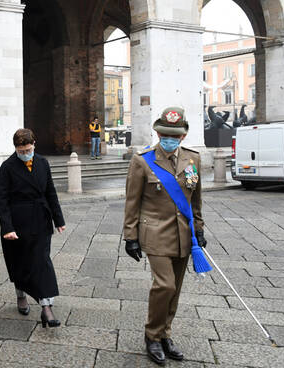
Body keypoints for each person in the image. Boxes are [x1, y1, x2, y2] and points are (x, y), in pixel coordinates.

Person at [122, 107, 206, 365]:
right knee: (165, 285)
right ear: (158, 133)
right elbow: (132, 201)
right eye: (165, 134)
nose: (169, 139)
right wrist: (130, 235)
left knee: (176, 289)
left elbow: (195, 200)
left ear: (183, 136)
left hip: (184, 234)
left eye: (175, 135)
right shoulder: (142, 160)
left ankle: (164, 334)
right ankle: (152, 336)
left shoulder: (193, 159)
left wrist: (199, 229)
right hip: (155, 232)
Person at [0, 128, 65, 328]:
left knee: (42, 262)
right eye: (21, 150)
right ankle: (21, 294)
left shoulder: (43, 163)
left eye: (27, 149)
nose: (25, 153)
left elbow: (50, 192)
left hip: (41, 220)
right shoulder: (7, 167)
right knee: (20, 262)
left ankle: (46, 307)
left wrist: (58, 219)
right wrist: (7, 227)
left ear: (34, 144)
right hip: (17, 224)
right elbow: (2, 201)